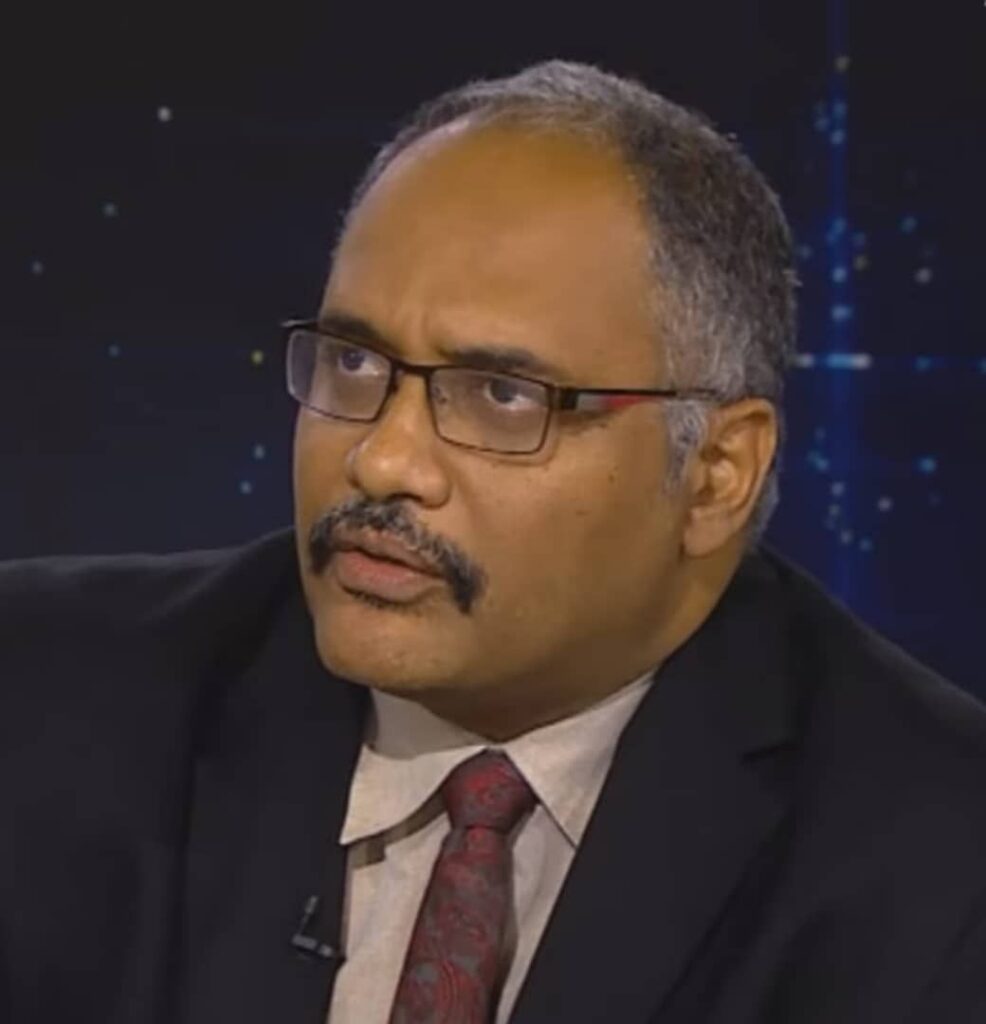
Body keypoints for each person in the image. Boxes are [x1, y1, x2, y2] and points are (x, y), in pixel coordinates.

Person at [1, 60, 985, 1024]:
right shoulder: (41, 701)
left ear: (717, 473)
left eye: (503, 395)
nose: (382, 460)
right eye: (354, 362)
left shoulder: (937, 868)